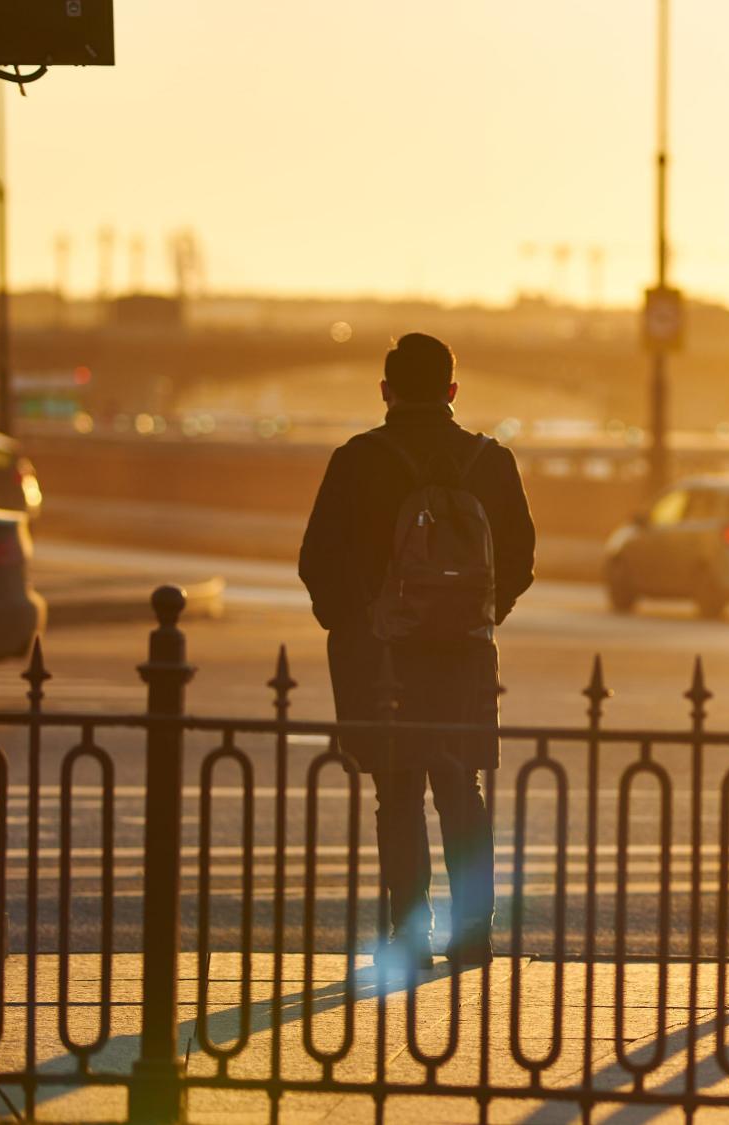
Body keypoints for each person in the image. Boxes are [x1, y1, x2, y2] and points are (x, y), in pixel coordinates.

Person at [298, 333, 536, 971]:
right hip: (465, 657)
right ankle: (472, 935)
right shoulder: (492, 461)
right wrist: (479, 617)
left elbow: (317, 562)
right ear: (453, 391)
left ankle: (409, 935)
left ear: (386, 391)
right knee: (464, 792)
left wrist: (363, 624)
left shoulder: (356, 460)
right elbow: (520, 560)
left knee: (397, 794)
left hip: (385, 660)